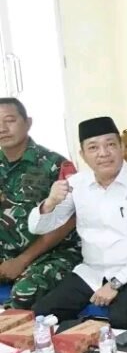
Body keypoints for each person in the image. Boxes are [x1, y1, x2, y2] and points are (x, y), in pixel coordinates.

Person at [30, 117, 127, 328]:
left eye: (110, 144)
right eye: (93, 148)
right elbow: (39, 227)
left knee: (122, 317)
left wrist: (115, 283)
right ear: (83, 155)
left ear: (122, 147)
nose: (103, 153)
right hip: (93, 270)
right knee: (43, 313)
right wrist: (49, 203)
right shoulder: (76, 184)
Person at [0, 99, 81, 309]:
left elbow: (71, 220)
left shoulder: (55, 164)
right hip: (6, 255)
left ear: (27, 123)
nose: (2, 128)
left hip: (52, 254)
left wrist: (22, 261)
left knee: (23, 294)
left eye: (9, 120)